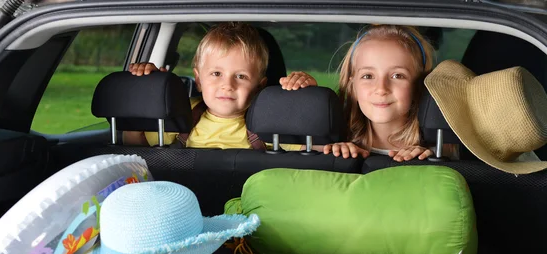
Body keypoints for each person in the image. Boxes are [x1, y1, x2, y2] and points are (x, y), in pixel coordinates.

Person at [282, 25, 456, 161]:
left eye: (397, 75)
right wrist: (307, 99)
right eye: (368, 76)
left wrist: (424, 159)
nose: (381, 88)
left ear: (419, 84)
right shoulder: (330, 142)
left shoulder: (438, 150)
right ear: (352, 85)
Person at [123, 22, 301, 151]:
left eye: (241, 76)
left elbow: (311, 143)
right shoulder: (181, 111)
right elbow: (135, 145)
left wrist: (306, 94)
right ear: (198, 80)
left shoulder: (269, 119)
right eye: (216, 74)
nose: (227, 85)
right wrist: (147, 88)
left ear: (259, 87)